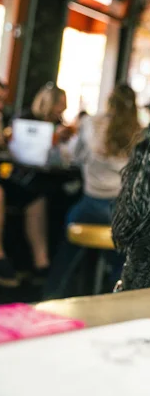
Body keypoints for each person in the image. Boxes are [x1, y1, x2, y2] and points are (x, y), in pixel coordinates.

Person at [45, 84, 141, 296]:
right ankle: (119, 298)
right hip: (119, 210)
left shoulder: (90, 124)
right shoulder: (140, 132)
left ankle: (49, 298)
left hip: (89, 205)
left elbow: (76, 158)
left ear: (109, 102)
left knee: (64, 256)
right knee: (123, 260)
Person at [0, 82, 69, 286]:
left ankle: (40, 262)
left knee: (36, 196)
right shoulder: (23, 119)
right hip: (14, 176)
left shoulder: (13, 119)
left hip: (23, 178)